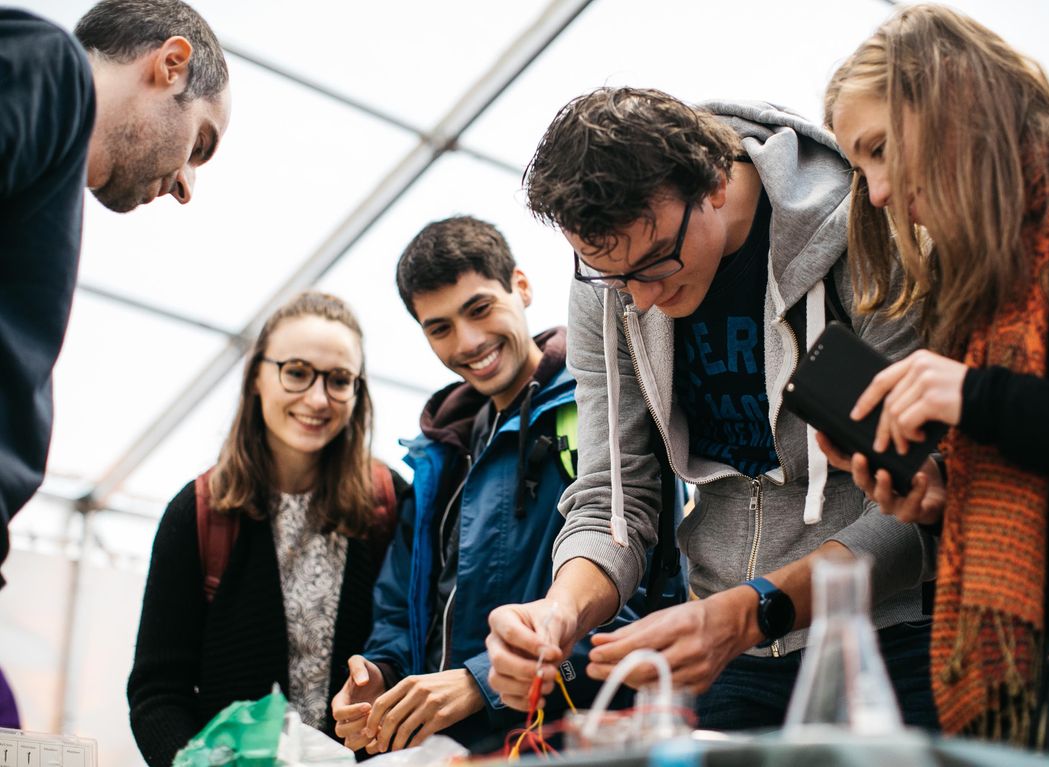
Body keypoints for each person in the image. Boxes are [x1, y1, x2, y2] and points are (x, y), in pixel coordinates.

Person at [486, 87, 938, 732]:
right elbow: (613, 497)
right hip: (724, 654)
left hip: (889, 635)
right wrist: (559, 611)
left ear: (717, 182)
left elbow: (922, 493)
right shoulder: (611, 278)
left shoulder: (870, 227)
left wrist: (753, 610)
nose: (640, 301)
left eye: (656, 262)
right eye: (612, 278)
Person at [823, 5, 1049, 761]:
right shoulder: (977, 292)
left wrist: (977, 399)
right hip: (1041, 703)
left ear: (954, 102)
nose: (873, 192)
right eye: (858, 167)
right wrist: (940, 502)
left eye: (878, 150)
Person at [331, 216, 681, 754]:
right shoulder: (438, 458)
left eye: (478, 309)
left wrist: (481, 684)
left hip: (579, 746)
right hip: (448, 755)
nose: (468, 341)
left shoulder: (604, 412)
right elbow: (400, 613)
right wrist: (378, 675)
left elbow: (647, 608)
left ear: (520, 286)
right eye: (439, 327)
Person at [0, 0, 232, 588]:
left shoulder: (48, 161)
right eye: (200, 143)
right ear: (171, 64)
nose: (186, 185)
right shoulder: (48, 65)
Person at [127, 292, 406, 767]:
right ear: (257, 375)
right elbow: (158, 692)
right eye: (296, 372)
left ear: (358, 392)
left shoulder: (389, 501)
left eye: (340, 380)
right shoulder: (196, 512)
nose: (317, 399)